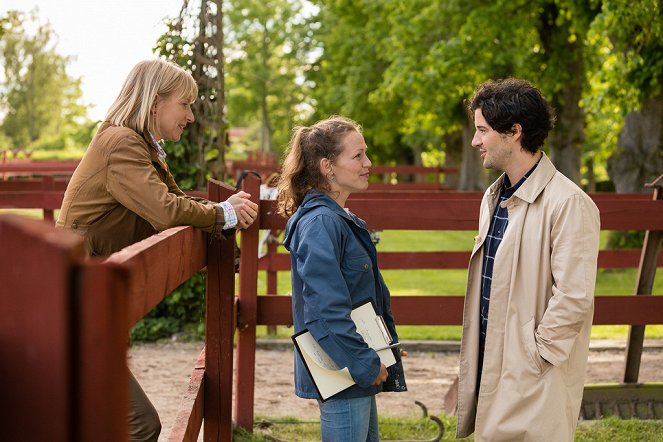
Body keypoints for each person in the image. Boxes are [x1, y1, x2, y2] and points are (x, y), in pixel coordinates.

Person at [56, 59, 258, 442]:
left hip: (89, 304)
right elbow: (167, 211)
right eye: (185, 104)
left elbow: (174, 203)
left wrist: (217, 236)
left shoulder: (141, 146)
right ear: (154, 104)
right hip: (72, 310)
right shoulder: (121, 144)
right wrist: (222, 214)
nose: (191, 116)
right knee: (140, 425)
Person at [455, 78, 600, 441]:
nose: (475, 141)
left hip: (534, 373)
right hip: (492, 360)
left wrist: (535, 356)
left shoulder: (569, 203)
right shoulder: (493, 197)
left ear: (514, 132)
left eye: (482, 131)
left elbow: (574, 297)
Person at [277, 115, 407, 441]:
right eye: (358, 155)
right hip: (345, 372)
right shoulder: (320, 224)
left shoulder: (338, 218)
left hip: (356, 363)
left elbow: (357, 296)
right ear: (327, 167)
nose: (369, 163)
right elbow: (325, 311)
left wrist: (380, 345)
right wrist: (364, 362)